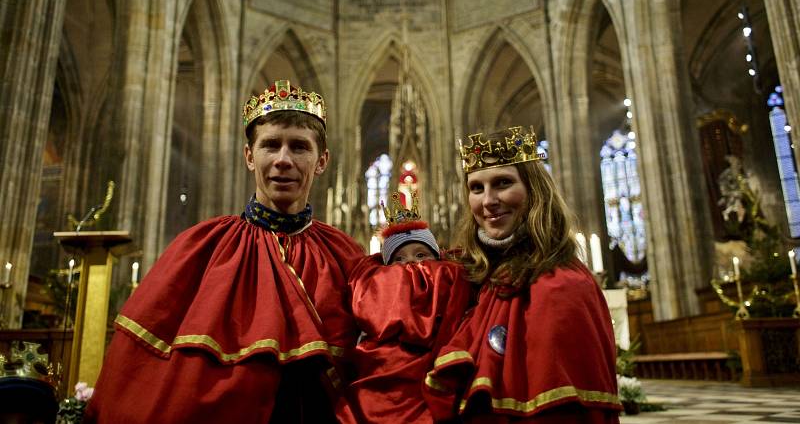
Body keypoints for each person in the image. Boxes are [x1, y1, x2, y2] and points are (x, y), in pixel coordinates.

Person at [85, 80, 365, 423]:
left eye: (299, 147)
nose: (283, 160)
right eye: (271, 145)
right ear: (250, 156)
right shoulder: (202, 249)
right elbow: (151, 382)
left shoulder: (347, 256)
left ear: (321, 161)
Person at [424, 126, 622, 423]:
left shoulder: (563, 285)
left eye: (502, 183)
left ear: (535, 191)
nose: (488, 200)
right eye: (476, 188)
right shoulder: (473, 276)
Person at [338, 192, 472, 424]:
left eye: (421, 255)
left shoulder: (453, 282)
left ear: (438, 257)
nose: (411, 264)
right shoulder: (376, 292)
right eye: (399, 259)